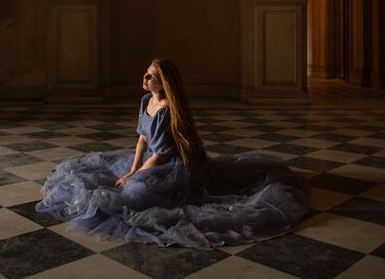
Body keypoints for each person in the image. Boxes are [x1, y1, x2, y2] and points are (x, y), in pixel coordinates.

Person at [35, 59, 309, 248]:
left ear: (164, 83)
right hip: (150, 159)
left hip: (170, 166)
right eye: (146, 73)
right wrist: (132, 167)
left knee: (134, 195)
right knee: (109, 175)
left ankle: (137, 183)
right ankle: (132, 176)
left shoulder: (166, 109)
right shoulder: (146, 100)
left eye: (151, 76)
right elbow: (142, 139)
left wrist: (134, 177)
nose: (145, 78)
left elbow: (161, 156)